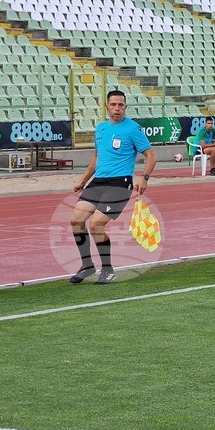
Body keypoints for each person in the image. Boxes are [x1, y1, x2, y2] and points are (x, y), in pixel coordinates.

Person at [69, 90, 156, 285]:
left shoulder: (133, 129)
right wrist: (83, 180)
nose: (117, 109)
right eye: (113, 105)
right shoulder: (101, 129)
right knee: (76, 221)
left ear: (126, 107)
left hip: (119, 183)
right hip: (98, 182)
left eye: (121, 105)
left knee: (96, 224)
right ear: (106, 106)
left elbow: (151, 156)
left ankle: (107, 270)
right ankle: (87, 266)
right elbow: (96, 157)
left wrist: (144, 178)